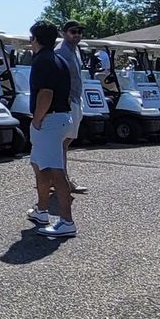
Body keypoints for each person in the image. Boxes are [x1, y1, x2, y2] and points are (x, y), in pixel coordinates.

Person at [24, 21, 76, 238]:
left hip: (49, 120)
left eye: (31, 37)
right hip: (60, 117)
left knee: (56, 171)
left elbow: (46, 93)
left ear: (36, 39)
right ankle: (42, 210)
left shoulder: (42, 61)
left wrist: (37, 120)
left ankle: (67, 222)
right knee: (39, 165)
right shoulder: (58, 59)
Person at [58, 20, 89, 196]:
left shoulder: (75, 50)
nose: (76, 34)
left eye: (79, 31)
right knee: (62, 142)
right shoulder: (61, 51)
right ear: (64, 33)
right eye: (72, 31)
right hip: (67, 102)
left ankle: (59, 178)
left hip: (76, 99)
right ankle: (62, 180)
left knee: (66, 141)